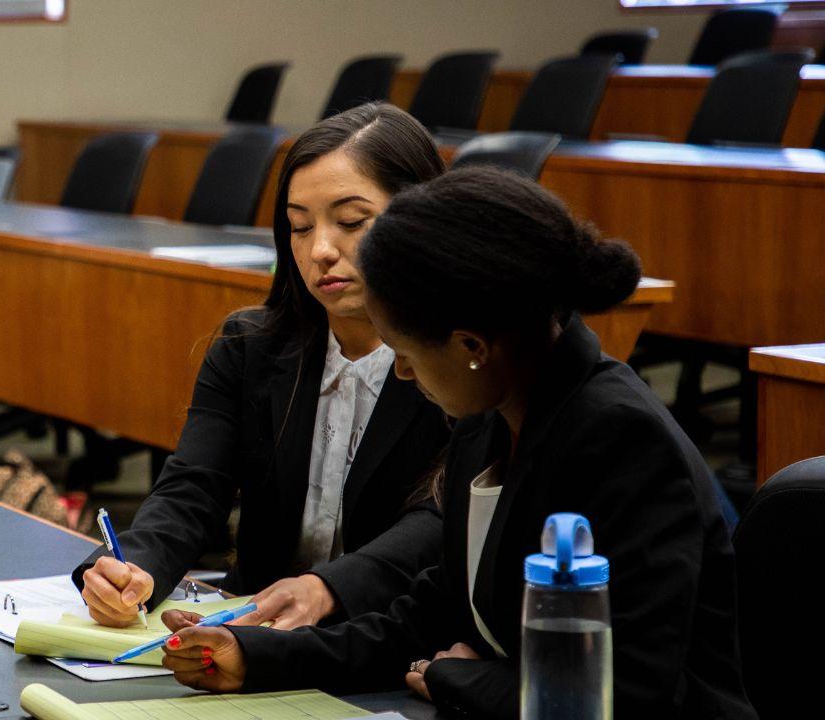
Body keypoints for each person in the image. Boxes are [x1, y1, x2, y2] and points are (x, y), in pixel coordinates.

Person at [159, 167, 757, 719]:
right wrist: (258, 656)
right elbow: (429, 612)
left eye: (409, 354)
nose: (402, 375)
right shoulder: (489, 416)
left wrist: (461, 680)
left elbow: (623, 691)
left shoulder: (622, 440)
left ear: (472, 347)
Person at [73, 103, 449, 631]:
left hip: (392, 634)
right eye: (299, 227)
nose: (320, 249)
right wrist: (135, 568)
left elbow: (441, 520)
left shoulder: (460, 357)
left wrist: (327, 589)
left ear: (421, 219)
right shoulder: (251, 345)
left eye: (351, 222)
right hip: (252, 629)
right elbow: (193, 487)